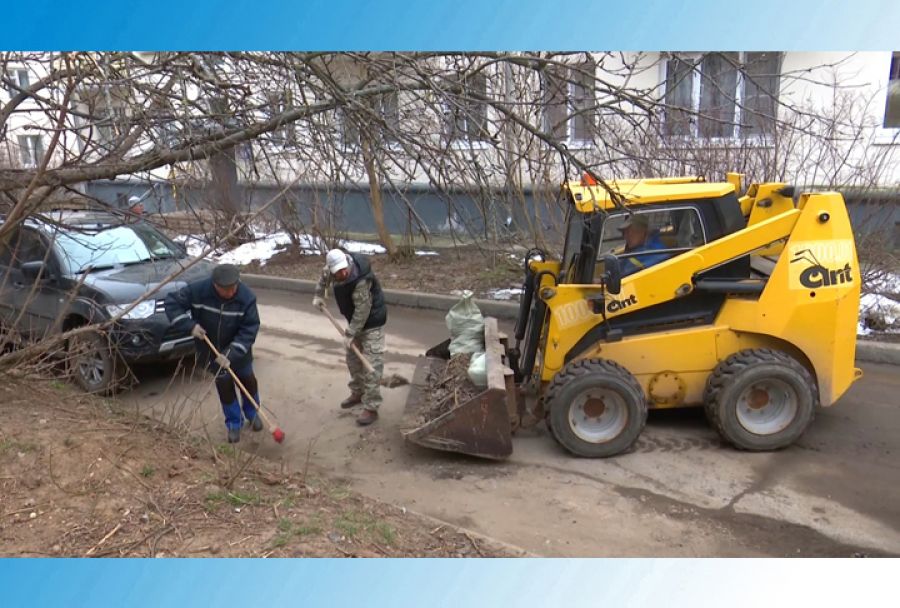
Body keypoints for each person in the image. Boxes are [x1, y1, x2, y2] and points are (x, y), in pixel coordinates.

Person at [165, 264, 262, 443]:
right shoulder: (199, 291)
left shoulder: (246, 298)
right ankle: (234, 424)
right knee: (225, 387)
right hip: (211, 351)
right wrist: (190, 326)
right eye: (226, 289)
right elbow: (171, 304)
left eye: (234, 287)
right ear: (215, 285)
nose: (231, 292)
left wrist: (231, 354)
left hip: (238, 351)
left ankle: (253, 413)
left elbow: (250, 329)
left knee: (248, 382)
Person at [313, 248, 386, 426]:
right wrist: (319, 295)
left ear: (347, 262)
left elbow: (363, 310)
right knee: (352, 359)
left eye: (344, 269)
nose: (343, 273)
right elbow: (323, 279)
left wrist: (351, 333)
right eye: (338, 272)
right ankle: (358, 392)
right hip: (354, 320)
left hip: (372, 321)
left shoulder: (361, 279)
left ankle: (371, 407)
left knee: (372, 364)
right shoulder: (330, 270)